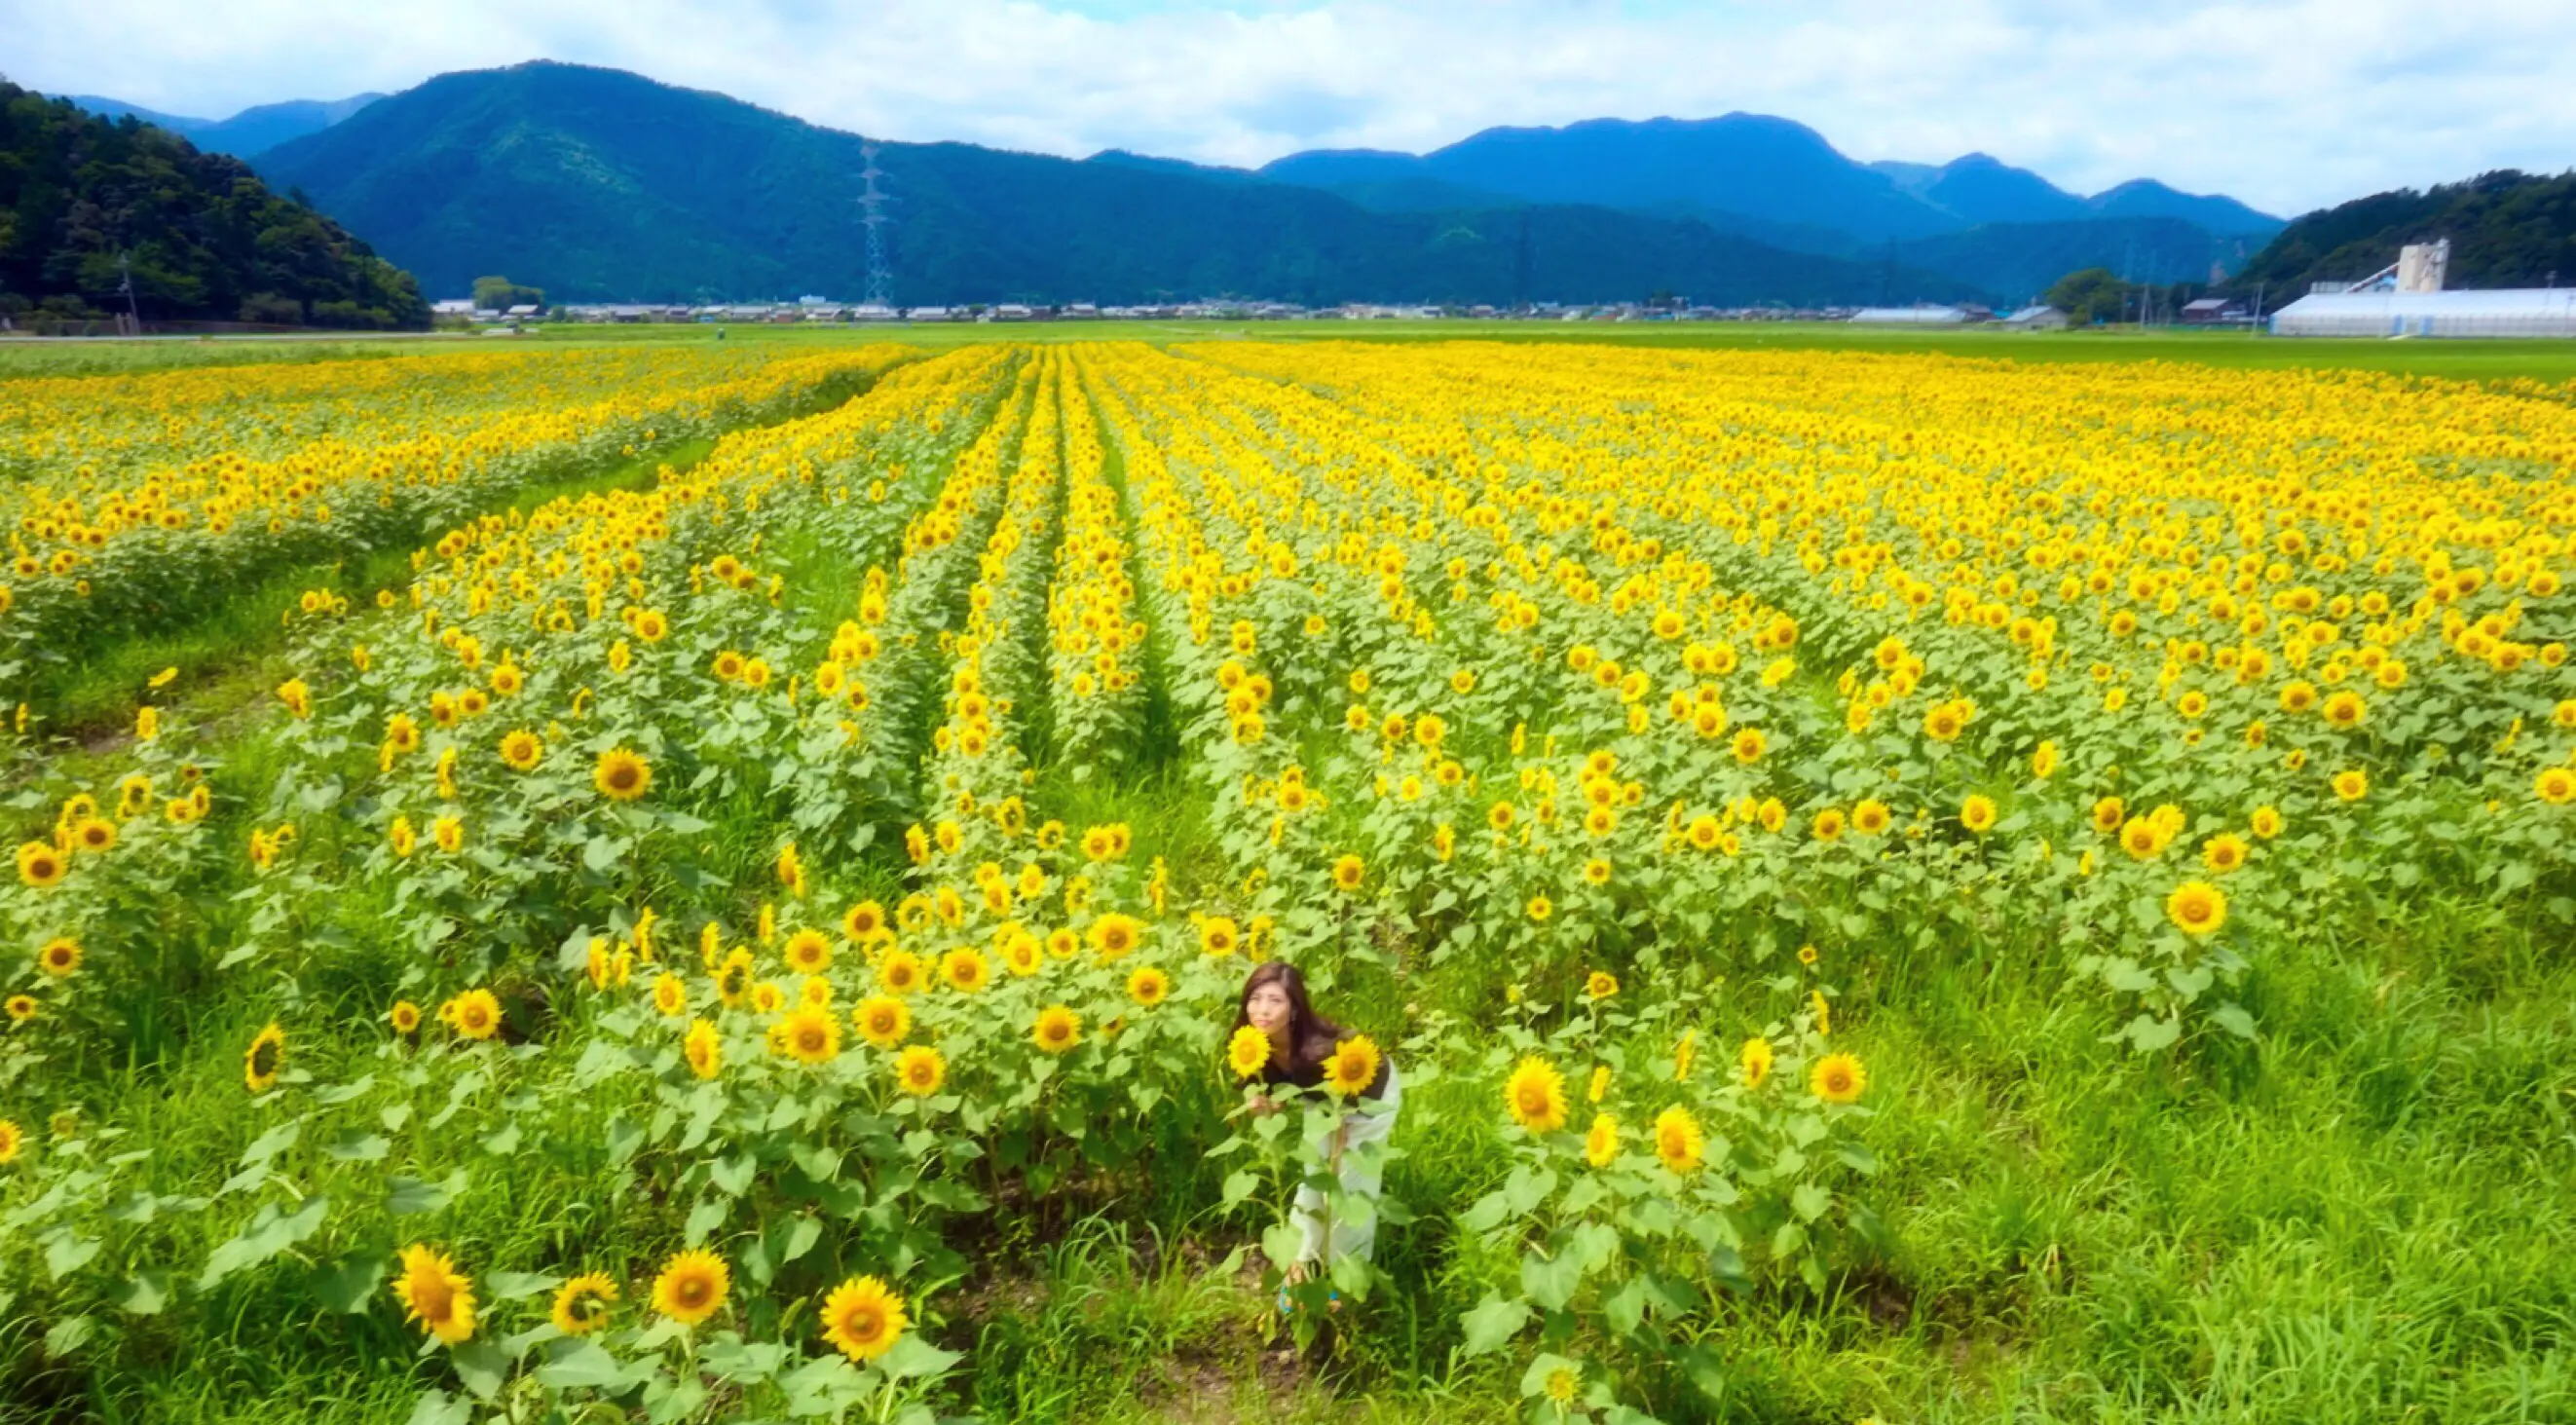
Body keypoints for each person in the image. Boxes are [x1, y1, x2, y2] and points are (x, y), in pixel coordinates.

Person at [1235, 961, 1400, 1279]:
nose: (1262, 1010)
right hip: (1322, 1101)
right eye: (1255, 999)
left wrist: (1336, 1163)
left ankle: (1345, 1277)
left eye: (1275, 1000)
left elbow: (1340, 1118)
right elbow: (1255, 1086)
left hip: (1367, 1096)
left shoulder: (1317, 1052)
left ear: (1294, 1009)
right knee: (1313, 1182)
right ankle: (1299, 1269)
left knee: (1348, 1188)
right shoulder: (1254, 1042)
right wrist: (1260, 1103)